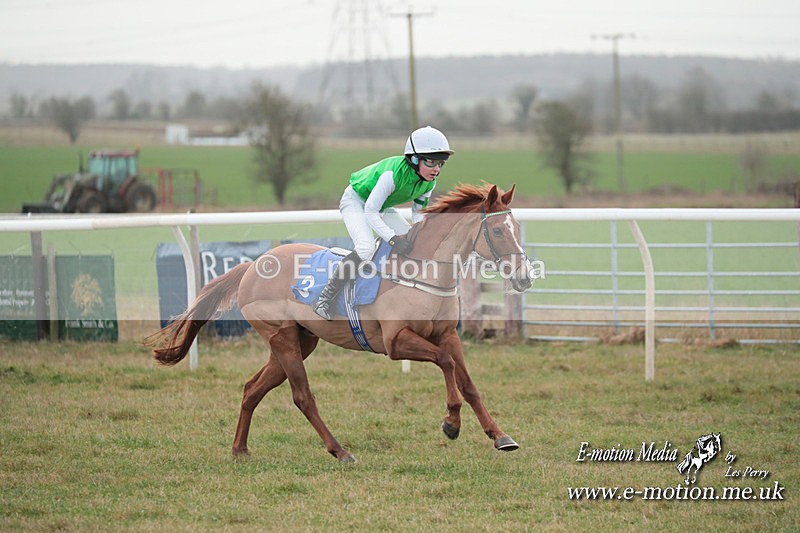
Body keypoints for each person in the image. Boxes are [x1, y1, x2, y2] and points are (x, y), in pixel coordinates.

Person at [313, 126, 454, 320]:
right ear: (414, 158)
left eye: (441, 163)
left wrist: (423, 234)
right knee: (365, 247)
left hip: (381, 206)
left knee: (413, 242)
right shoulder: (392, 175)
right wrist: (394, 240)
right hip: (357, 201)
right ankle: (325, 298)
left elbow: (418, 213)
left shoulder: (429, 182)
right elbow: (371, 211)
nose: (436, 169)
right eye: (431, 162)